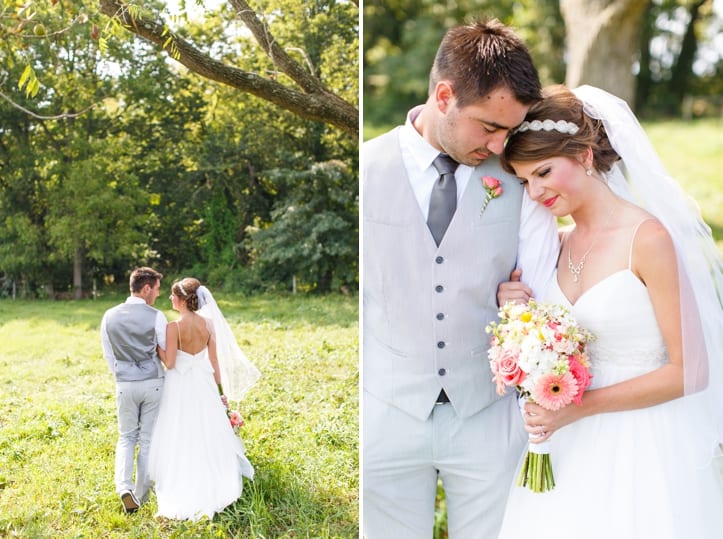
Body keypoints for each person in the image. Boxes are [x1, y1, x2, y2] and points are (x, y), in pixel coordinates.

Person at [362, 19, 560, 538]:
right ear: (443, 95)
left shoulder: (520, 182)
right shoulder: (362, 169)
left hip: (488, 414)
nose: (499, 145)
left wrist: (521, 305)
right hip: (384, 411)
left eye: (509, 130)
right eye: (488, 127)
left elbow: (550, 290)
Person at [497, 84, 723, 538]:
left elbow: (690, 371)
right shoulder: (555, 246)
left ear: (583, 155)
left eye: (543, 172)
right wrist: (514, 310)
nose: (535, 191)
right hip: (568, 449)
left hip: (644, 445)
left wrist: (579, 410)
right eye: (525, 181)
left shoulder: (649, 238)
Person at [148, 277, 256, 521]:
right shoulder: (208, 324)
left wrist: (157, 348)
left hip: (180, 384)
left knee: (180, 428)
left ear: (183, 299)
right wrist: (220, 391)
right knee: (207, 427)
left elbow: (171, 362)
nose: (169, 298)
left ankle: (184, 475)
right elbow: (215, 361)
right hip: (205, 382)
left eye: (173, 295)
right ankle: (214, 470)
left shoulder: (173, 327)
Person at [100, 266, 167, 514]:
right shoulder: (157, 317)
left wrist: (123, 374)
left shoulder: (108, 316)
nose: (158, 295)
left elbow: (109, 355)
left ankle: (123, 488)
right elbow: (164, 349)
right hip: (153, 382)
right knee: (147, 440)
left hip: (124, 384)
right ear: (146, 288)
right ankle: (142, 495)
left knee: (126, 437)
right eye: (157, 289)